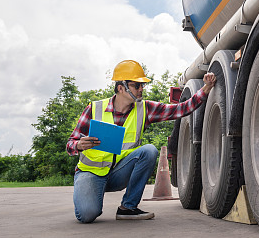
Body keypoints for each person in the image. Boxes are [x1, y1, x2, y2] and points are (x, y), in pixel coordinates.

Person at [66, 59, 215, 223]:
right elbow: (70, 144)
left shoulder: (145, 109)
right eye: (136, 85)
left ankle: (128, 208)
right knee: (87, 216)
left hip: (118, 172)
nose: (141, 89)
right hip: (91, 173)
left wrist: (206, 88)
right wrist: (79, 145)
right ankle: (90, 191)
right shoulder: (94, 109)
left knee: (149, 150)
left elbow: (181, 109)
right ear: (121, 88)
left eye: (142, 85)